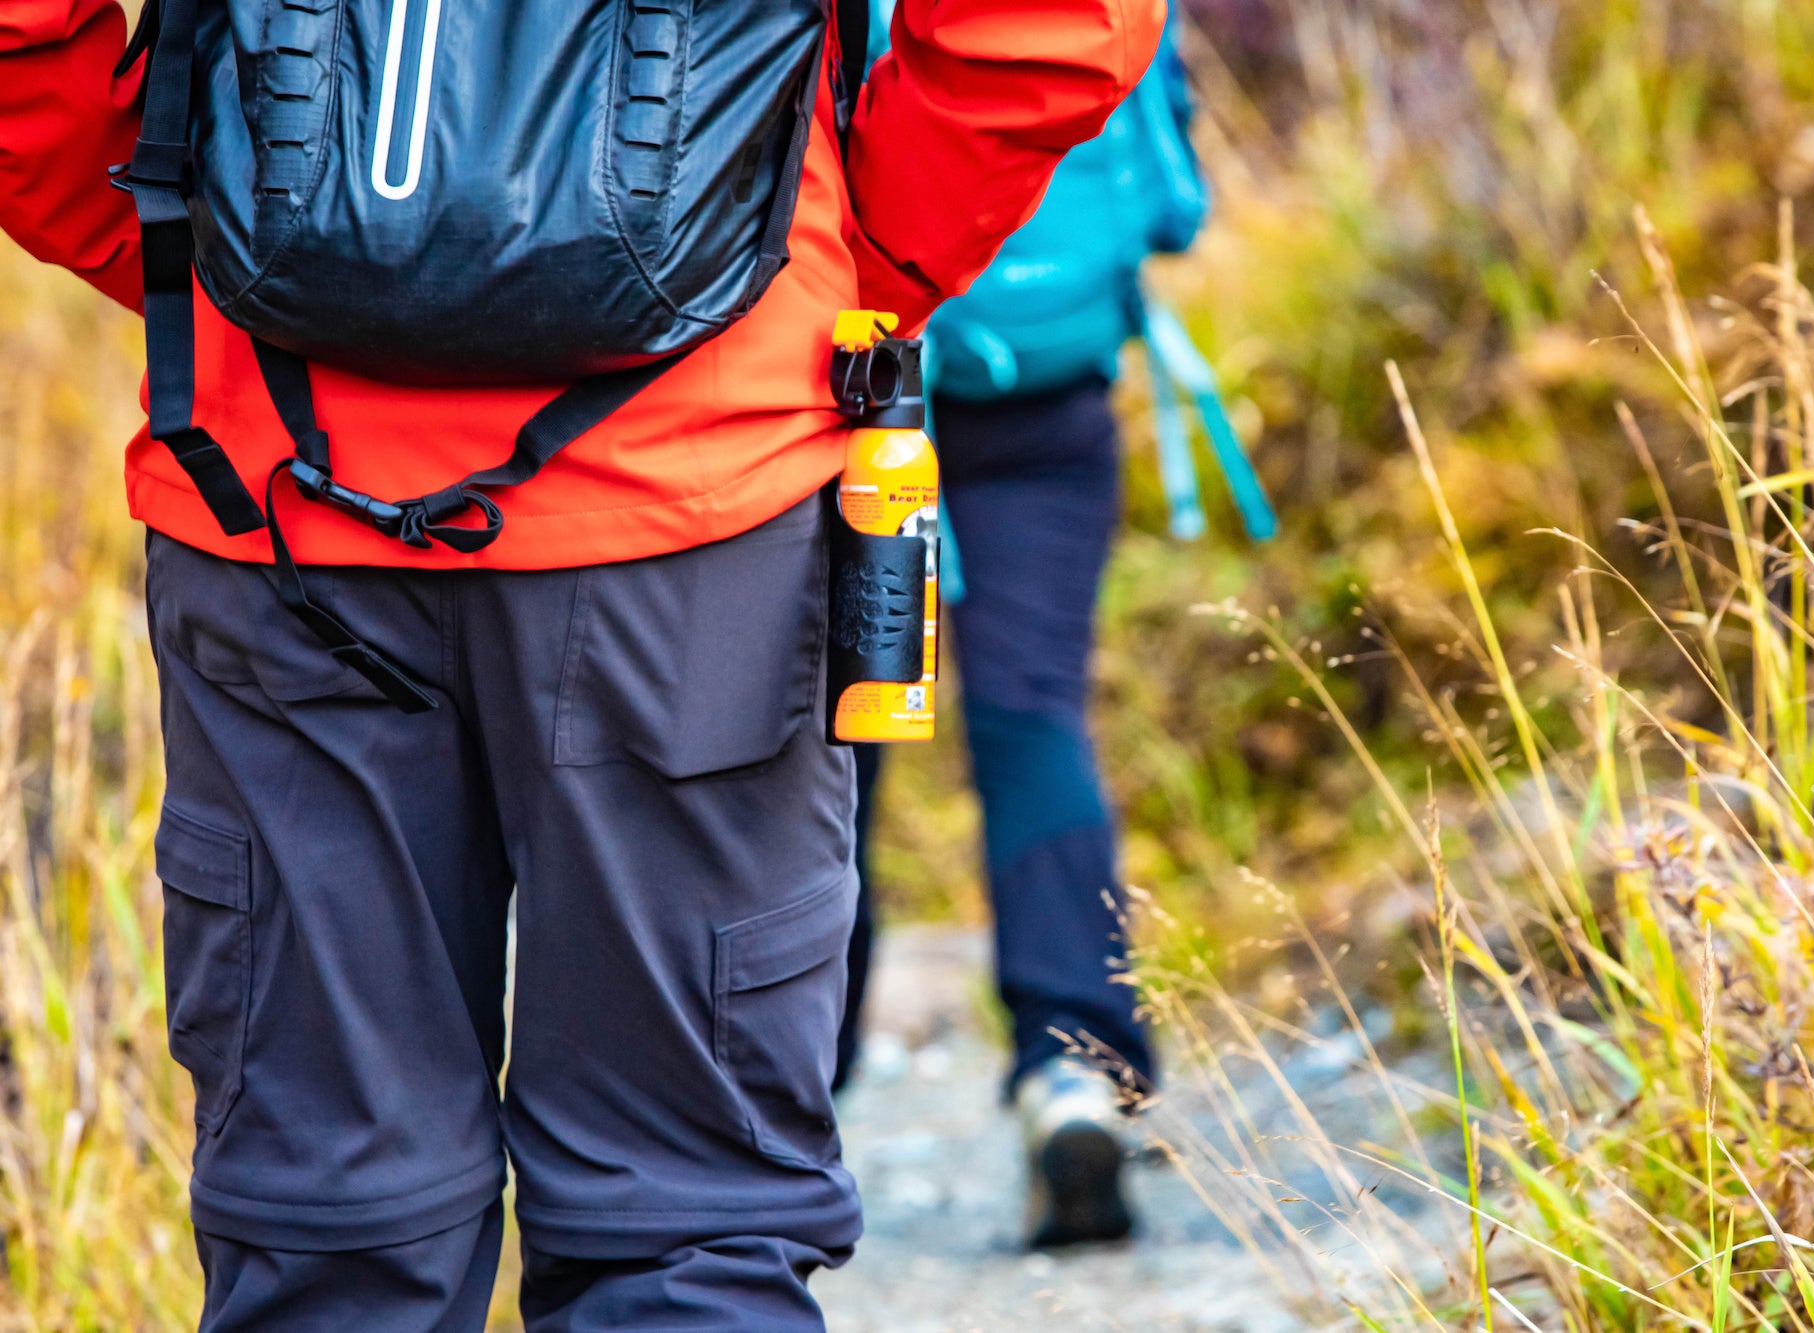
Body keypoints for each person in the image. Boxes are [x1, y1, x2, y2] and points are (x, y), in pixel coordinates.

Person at [0, 0, 1162, 1325]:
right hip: (694, 519)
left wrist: (211, 257)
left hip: (277, 498)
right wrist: (835, 261)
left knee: (324, 1226)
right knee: (685, 1231)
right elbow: (1049, 26)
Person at [835, 2, 1237, 1250]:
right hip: (1049, 388)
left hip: (854, 388)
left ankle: (772, 1090)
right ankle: (1074, 1068)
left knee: (829, 729)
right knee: (1028, 714)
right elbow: (1172, 203)